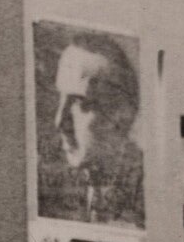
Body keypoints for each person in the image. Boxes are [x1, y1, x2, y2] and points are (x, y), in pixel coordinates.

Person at [40, 31, 144, 226]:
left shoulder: (147, 194)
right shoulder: (57, 185)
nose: (60, 121)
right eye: (61, 99)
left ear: (123, 116)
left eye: (79, 103)